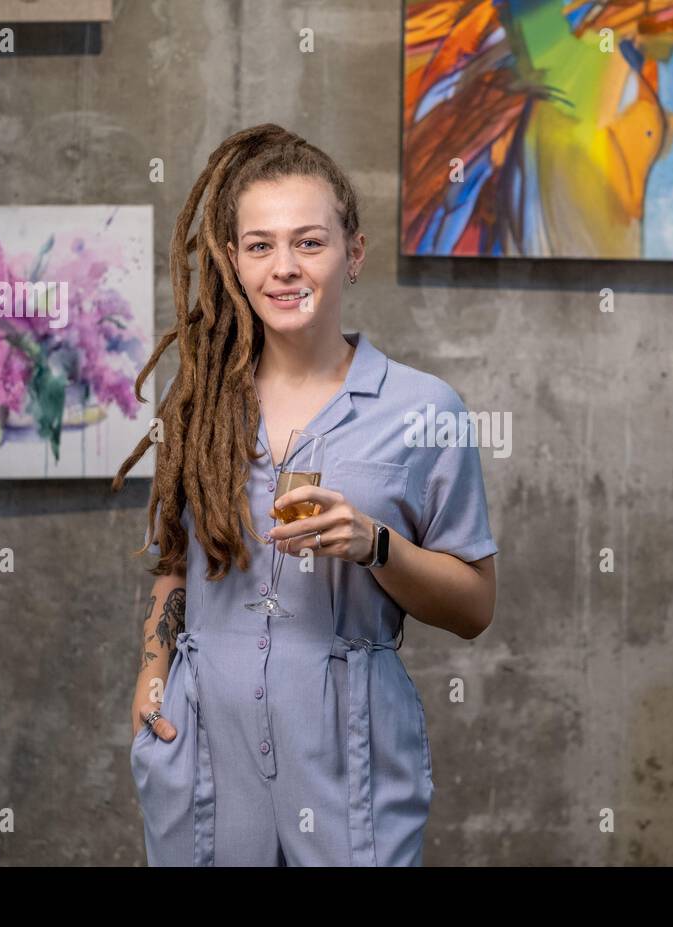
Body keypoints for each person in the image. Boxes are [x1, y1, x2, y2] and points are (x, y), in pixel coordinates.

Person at [110, 124, 498, 865]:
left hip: (348, 750)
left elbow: (476, 608)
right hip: (204, 747)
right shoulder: (201, 401)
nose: (283, 268)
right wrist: (151, 677)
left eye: (309, 242)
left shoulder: (425, 410)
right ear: (232, 261)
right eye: (259, 246)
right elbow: (175, 561)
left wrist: (377, 545)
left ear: (353, 253)